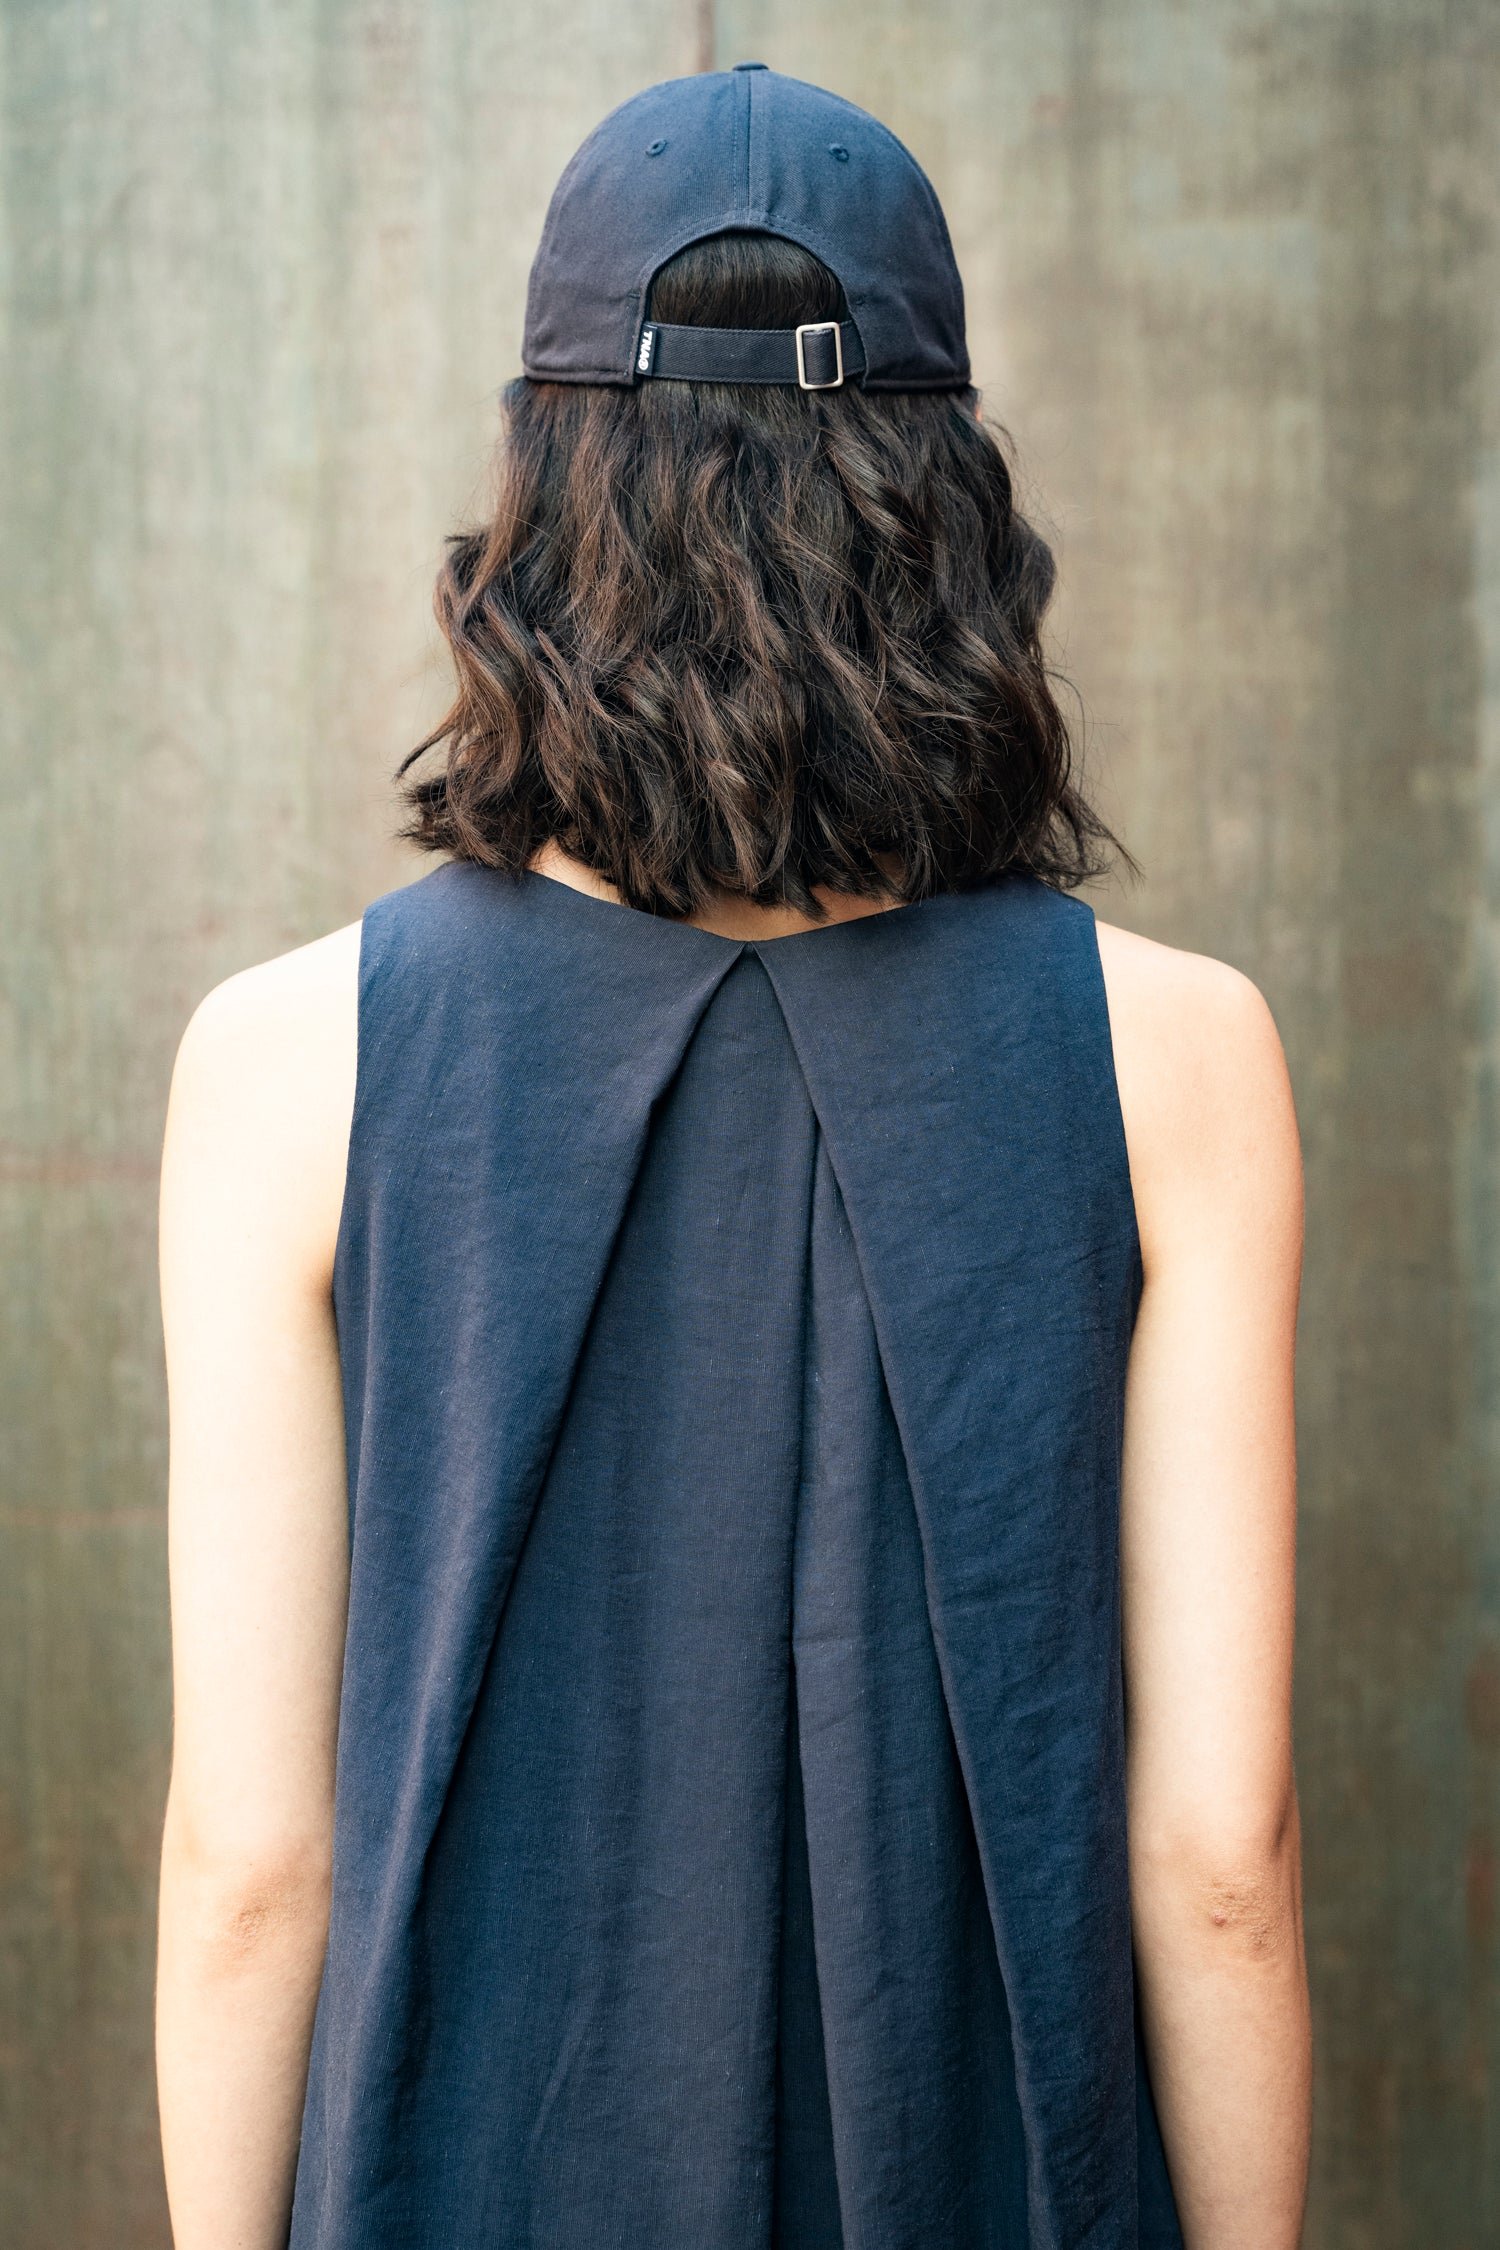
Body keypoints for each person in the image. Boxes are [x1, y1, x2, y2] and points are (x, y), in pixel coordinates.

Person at [155, 64, 1310, 2250]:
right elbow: (1220, 1858)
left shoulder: (284, 1064)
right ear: (946, 505)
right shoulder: (1182, 1062)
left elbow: (249, 1863)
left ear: (544, 492)